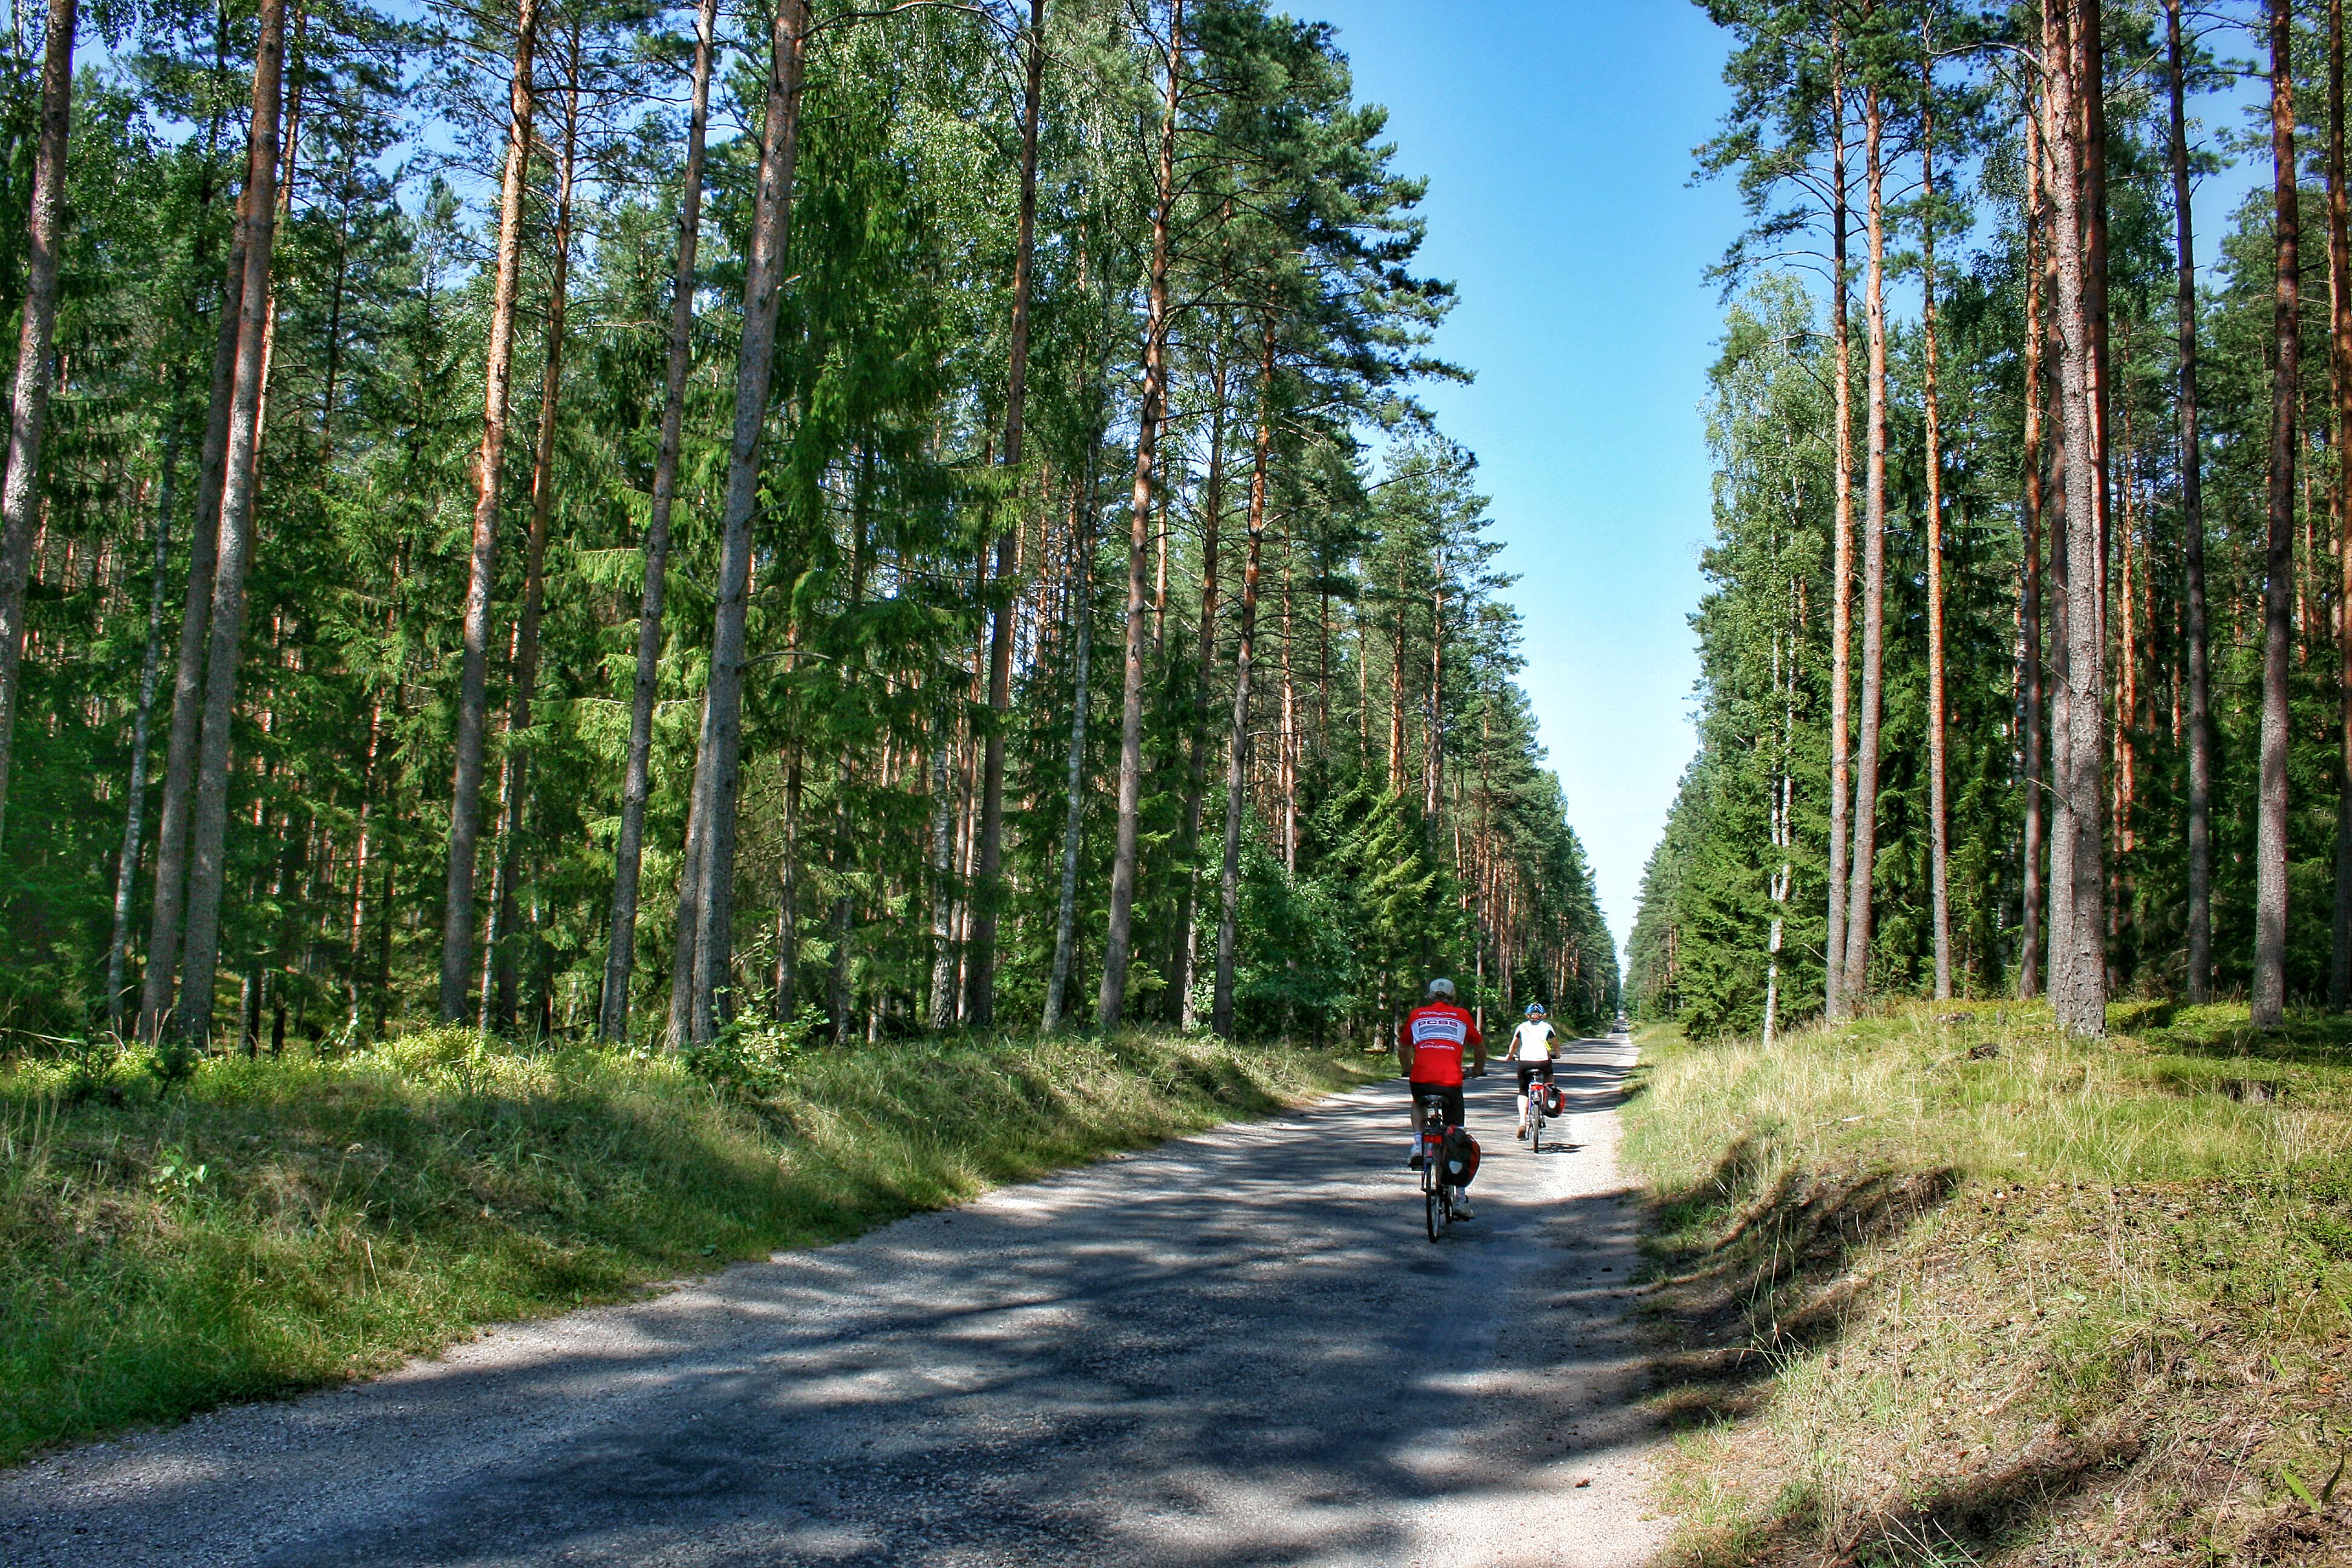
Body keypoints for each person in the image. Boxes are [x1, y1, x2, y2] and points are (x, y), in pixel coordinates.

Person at [1397, 977, 1485, 1218]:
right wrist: (1476, 1071)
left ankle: (1417, 1144)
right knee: (1456, 1133)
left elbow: (1403, 1048)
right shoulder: (1462, 1016)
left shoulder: (1417, 1015)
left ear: (1429, 996)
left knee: (1418, 1103)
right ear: (1453, 998)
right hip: (1451, 1082)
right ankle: (1460, 1198)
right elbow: (1480, 1048)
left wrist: (1408, 1070)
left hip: (1422, 1079)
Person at [1509, 1002, 1557, 1138]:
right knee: (1549, 1078)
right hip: (1544, 1062)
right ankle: (1548, 1097)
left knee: (1523, 1091)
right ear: (1542, 1015)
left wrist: (1510, 1055)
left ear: (1528, 1015)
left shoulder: (1522, 1027)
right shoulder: (1547, 1027)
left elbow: (1514, 1046)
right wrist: (1558, 1054)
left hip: (1525, 1063)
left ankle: (1522, 1122)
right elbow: (1556, 1045)